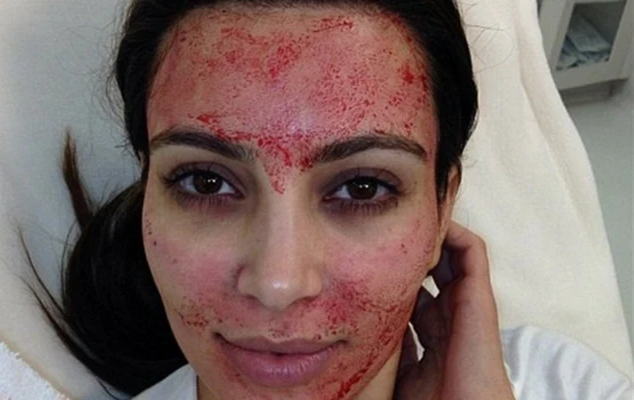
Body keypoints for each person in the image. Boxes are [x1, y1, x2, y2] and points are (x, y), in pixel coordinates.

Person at [36, 0, 633, 399]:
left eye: (362, 187)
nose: (278, 283)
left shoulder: (571, 385)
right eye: (206, 182)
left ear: (442, 211)